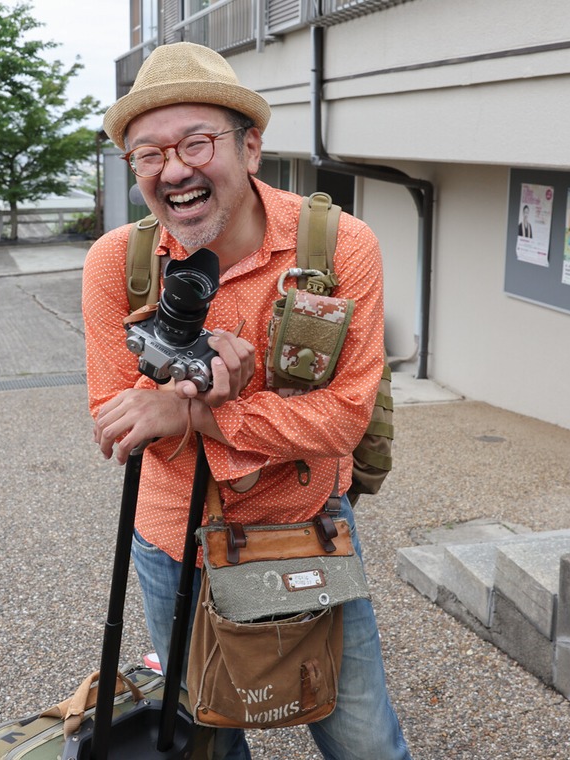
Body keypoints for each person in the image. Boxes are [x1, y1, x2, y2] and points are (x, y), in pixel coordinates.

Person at [82, 42, 411, 760]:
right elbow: (116, 421)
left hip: (307, 525)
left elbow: (343, 419)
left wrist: (196, 411)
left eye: (197, 142)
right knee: (207, 742)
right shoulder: (118, 263)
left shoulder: (336, 248)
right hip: (173, 541)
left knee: (364, 740)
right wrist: (175, 407)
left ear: (251, 147)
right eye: (148, 154)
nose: (174, 170)